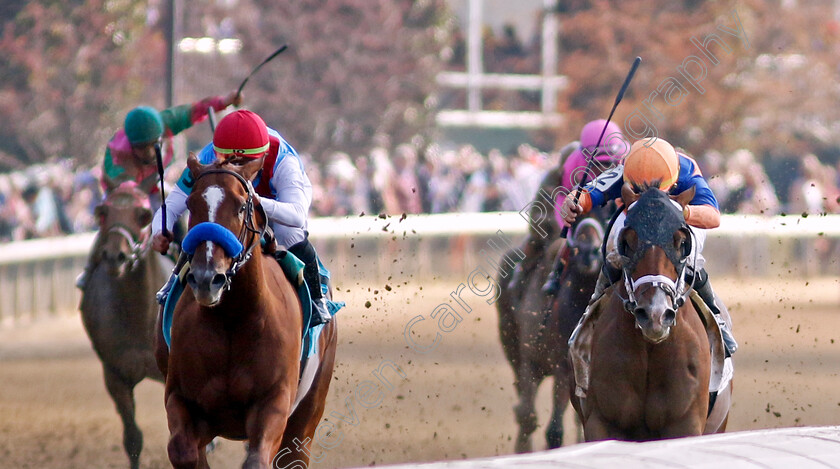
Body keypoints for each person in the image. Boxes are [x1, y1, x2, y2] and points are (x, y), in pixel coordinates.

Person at [151, 110, 332, 326]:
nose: (237, 168)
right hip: (233, 204)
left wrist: (256, 201)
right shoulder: (208, 157)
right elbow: (171, 206)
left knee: (289, 233)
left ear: (262, 157)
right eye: (230, 160)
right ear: (219, 154)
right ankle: (175, 281)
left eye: (245, 162)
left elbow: (297, 215)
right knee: (206, 223)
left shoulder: (284, 162)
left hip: (274, 201)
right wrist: (159, 230)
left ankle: (315, 296)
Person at [560, 137, 737, 355]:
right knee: (613, 249)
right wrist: (574, 202)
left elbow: (713, 216)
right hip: (637, 222)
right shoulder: (627, 169)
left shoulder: (686, 171)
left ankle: (715, 317)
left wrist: (682, 212)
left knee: (689, 256)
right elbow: (588, 193)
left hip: (680, 221)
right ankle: (591, 313)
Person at [76, 92, 241, 290]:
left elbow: (198, 109)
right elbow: (127, 192)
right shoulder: (117, 154)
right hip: (122, 193)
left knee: (177, 212)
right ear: (131, 145)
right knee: (115, 219)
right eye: (141, 148)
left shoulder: (167, 122)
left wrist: (225, 101)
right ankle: (90, 268)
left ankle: (186, 262)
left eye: (152, 145)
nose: (148, 154)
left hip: (154, 185)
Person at [540, 119, 628, 294]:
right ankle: (555, 275)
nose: (603, 169)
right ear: (585, 156)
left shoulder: (629, 161)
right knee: (566, 241)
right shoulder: (572, 166)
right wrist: (566, 227)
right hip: (583, 210)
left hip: (612, 208)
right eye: (597, 164)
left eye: (608, 163)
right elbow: (562, 199)